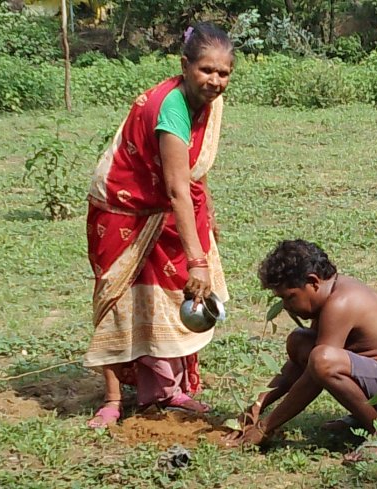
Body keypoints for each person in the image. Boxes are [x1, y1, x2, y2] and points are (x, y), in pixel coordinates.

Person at [82, 22, 233, 428]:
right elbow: (175, 187)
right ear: (185, 66)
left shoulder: (208, 101)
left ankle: (168, 390)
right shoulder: (172, 108)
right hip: (126, 210)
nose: (215, 81)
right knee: (122, 299)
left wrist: (210, 213)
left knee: (172, 299)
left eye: (223, 73)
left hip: (172, 206)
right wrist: (197, 260)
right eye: (206, 70)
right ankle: (113, 400)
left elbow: (192, 172)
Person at [226, 240, 377, 461]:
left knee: (323, 359)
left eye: (289, 297)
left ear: (313, 282)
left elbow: (317, 372)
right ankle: (365, 418)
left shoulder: (341, 303)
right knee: (299, 341)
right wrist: (257, 404)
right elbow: (295, 368)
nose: (286, 306)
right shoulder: (330, 294)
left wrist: (266, 426)